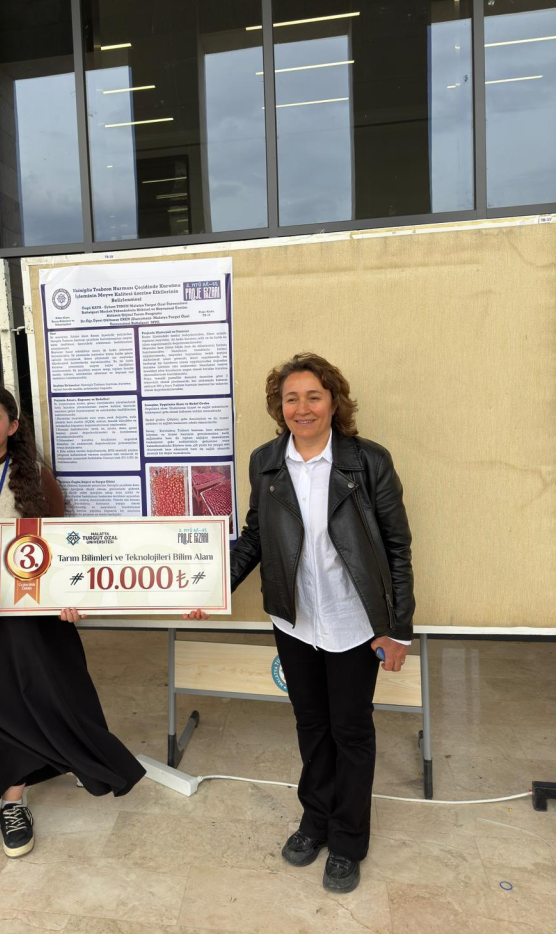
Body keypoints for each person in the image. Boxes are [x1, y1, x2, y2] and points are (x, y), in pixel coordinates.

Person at [0, 383, 144, 872]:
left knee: (20, 712)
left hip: (23, 619)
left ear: (12, 426)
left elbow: (61, 549)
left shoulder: (36, 477)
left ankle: (14, 803)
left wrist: (67, 598)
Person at [230, 353, 414, 893]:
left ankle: (349, 839)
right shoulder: (266, 462)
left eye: (314, 396)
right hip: (295, 620)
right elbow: (256, 536)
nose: (302, 408)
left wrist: (397, 628)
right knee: (311, 725)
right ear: (279, 407)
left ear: (334, 402)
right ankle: (315, 820)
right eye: (291, 398)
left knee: (350, 730)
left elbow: (397, 547)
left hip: (355, 621)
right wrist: (212, 587)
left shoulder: (367, 461)